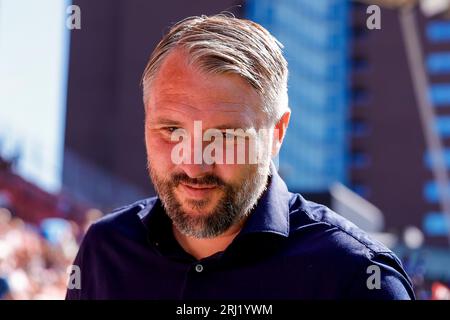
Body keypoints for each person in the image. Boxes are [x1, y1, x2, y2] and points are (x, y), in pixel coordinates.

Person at [66, 14, 415, 300]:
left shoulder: (357, 277)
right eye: (172, 131)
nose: (194, 163)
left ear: (277, 133)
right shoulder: (105, 250)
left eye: (226, 135)